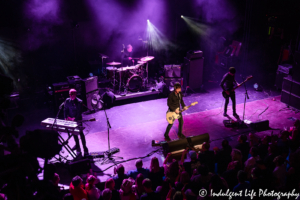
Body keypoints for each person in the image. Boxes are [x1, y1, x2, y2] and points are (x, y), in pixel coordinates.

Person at [64, 88, 89, 157]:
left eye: (72, 94)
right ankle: (78, 148)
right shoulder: (67, 101)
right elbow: (65, 110)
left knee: (81, 134)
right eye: (70, 94)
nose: (71, 95)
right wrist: (66, 118)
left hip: (77, 119)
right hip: (70, 120)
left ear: (75, 94)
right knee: (74, 134)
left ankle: (85, 149)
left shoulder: (79, 102)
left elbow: (79, 112)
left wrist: (74, 119)